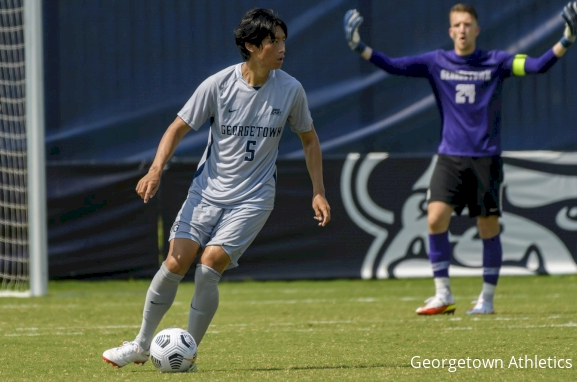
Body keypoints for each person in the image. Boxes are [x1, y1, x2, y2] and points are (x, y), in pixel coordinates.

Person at [102, 8, 331, 369]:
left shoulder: (291, 90)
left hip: (254, 198)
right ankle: (141, 346)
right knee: (176, 262)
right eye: (275, 41)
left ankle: (187, 354)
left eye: (283, 40)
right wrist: (155, 171)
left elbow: (310, 140)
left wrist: (318, 190)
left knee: (209, 265)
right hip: (206, 192)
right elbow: (177, 128)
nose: (282, 48)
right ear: (252, 46)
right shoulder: (218, 85)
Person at [343, 3, 577, 315]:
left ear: (477, 29)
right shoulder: (435, 62)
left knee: (487, 228)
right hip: (449, 157)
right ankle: (442, 295)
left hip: (486, 159)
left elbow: (537, 66)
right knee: (435, 217)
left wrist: (566, 39)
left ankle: (487, 300)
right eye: (457, 24)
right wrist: (359, 46)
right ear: (450, 31)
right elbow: (394, 66)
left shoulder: (497, 61)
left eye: (468, 24)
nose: (463, 29)